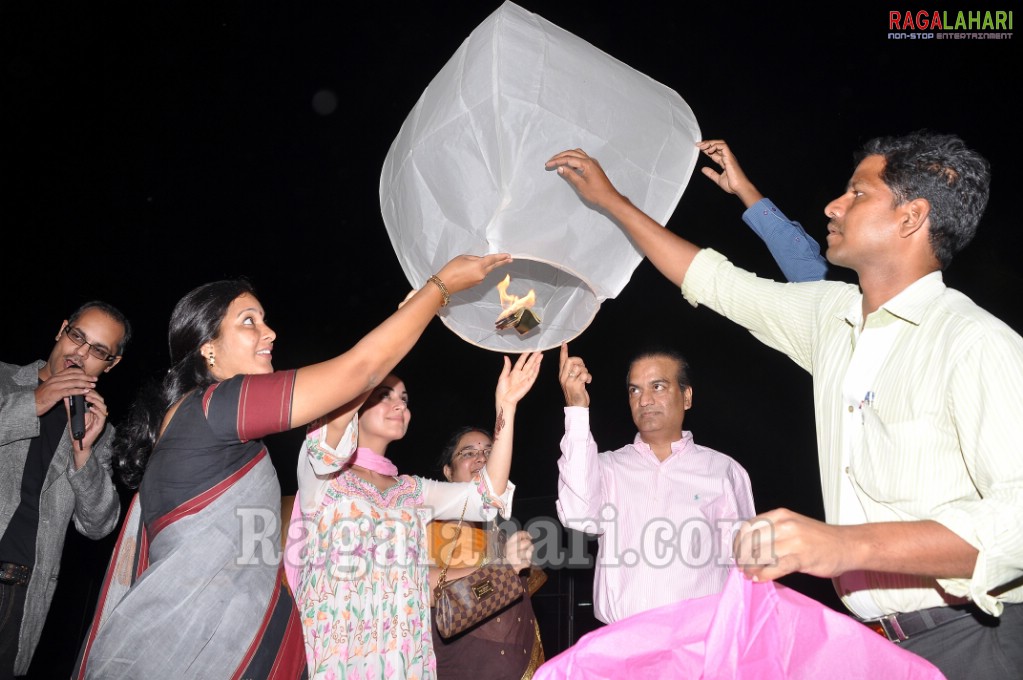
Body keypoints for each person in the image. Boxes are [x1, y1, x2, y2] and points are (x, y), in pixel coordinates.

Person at [545, 133, 1023, 678]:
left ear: (910, 218)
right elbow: (715, 281)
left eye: (857, 194)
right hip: (873, 648)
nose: (833, 205)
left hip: (974, 639)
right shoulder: (832, 320)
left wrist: (843, 546)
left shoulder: (974, 342)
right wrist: (612, 202)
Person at [73, 252, 510, 679]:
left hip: (254, 645)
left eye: (264, 320)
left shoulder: (211, 428)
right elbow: (358, 373)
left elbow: (360, 384)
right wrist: (437, 290)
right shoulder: (213, 408)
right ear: (207, 347)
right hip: (196, 645)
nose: (270, 333)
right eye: (249, 321)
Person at [289, 352, 542, 679]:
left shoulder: (411, 491)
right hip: (337, 647)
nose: (399, 405)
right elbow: (353, 380)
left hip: (401, 652)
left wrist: (506, 407)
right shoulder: (322, 476)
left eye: (404, 399)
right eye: (384, 395)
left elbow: (487, 496)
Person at [555, 342, 755, 624]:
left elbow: (748, 568)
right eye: (635, 390)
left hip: (699, 645)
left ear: (686, 397)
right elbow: (579, 516)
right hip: (622, 645)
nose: (644, 400)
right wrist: (576, 409)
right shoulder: (608, 468)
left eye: (657, 387)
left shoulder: (724, 471)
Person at [0, 301, 130, 679]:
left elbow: (98, 525)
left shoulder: (100, 432)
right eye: (78, 337)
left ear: (111, 364)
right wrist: (34, 402)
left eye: (99, 351)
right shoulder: (5, 380)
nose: (81, 353)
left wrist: (83, 451)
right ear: (61, 330)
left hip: (22, 594)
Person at [429, 426, 545, 680]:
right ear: (448, 472)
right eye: (468, 453)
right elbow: (420, 586)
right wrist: (503, 569)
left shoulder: (501, 532)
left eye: (489, 452)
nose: (482, 459)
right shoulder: (431, 524)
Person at [696, 139, 827, 282]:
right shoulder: (838, 290)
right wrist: (742, 187)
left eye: (856, 193)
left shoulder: (843, 299)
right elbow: (804, 262)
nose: (831, 208)